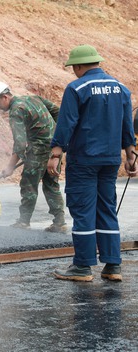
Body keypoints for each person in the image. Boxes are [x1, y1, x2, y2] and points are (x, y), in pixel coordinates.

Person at [47, 45, 136, 282]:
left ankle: (82, 267)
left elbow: (66, 122)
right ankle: (113, 265)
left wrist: (55, 153)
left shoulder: (77, 88)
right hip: (110, 160)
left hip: (84, 159)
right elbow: (127, 124)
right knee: (107, 208)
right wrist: (131, 154)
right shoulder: (121, 88)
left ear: (78, 66)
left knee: (83, 210)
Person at [0, 81, 66, 232]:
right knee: (51, 184)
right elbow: (58, 112)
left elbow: (20, 144)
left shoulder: (16, 111)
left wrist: (10, 167)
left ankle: (24, 222)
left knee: (28, 185)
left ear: (4, 97)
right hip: (55, 149)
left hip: (38, 152)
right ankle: (59, 222)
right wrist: (54, 136)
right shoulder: (33, 98)